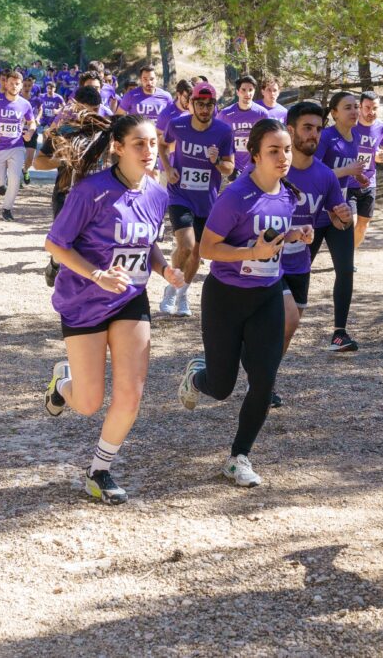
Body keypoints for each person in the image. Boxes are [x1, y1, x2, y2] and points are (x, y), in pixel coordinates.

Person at [43, 114, 186, 505]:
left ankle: (99, 470)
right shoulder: (91, 191)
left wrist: (163, 268)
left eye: (154, 143)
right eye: (139, 144)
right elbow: (55, 245)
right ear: (117, 148)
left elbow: (147, 243)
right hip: (83, 300)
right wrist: (97, 275)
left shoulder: (157, 193)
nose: (149, 151)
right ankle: (63, 382)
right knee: (88, 403)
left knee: (131, 394)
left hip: (129, 298)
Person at [178, 119, 312, 488]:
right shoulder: (236, 196)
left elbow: (270, 238)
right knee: (221, 387)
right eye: (274, 150)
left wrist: (294, 234)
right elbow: (208, 249)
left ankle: (239, 457)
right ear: (253, 155)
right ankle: (196, 375)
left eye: (287, 149)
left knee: (264, 381)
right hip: (226, 298)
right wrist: (250, 252)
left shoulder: (287, 194)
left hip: (267, 295)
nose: (283, 157)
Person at [274, 101, 352, 405]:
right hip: (267, 261)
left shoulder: (325, 176)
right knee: (288, 319)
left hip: (299, 262)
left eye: (318, 129)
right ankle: (260, 380)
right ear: (290, 130)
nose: (314, 135)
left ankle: (264, 378)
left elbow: (337, 219)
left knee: (287, 330)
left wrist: (342, 216)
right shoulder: (274, 167)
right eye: (307, 128)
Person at [158, 82, 235, 317]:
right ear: (191, 104)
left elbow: (229, 169)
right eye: (199, 104)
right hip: (180, 195)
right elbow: (162, 144)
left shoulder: (223, 131)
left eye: (209, 105)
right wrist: (168, 167)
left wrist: (216, 162)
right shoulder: (178, 124)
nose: (204, 109)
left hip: (207, 201)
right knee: (187, 245)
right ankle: (172, 289)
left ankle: (182, 295)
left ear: (214, 106)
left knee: (198, 253)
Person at [34, 86, 108, 286]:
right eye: (85, 111)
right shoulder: (63, 131)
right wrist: (65, 159)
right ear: (75, 108)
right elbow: (38, 163)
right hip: (66, 195)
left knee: (89, 246)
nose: (90, 117)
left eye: (95, 111)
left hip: (97, 199)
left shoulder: (106, 132)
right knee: (63, 244)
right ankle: (55, 263)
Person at [312, 91, 366, 352]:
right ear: (334, 112)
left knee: (345, 270)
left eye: (356, 107)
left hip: (340, 210)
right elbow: (314, 172)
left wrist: (358, 179)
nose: (355, 111)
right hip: (313, 211)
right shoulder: (326, 137)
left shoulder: (354, 137)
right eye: (348, 107)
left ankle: (339, 333)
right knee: (297, 270)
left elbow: (343, 178)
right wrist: (347, 170)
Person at [0, 70, 38, 221]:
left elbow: (32, 122)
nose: (14, 86)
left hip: (16, 146)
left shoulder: (25, 104)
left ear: (21, 86)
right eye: (11, 83)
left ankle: (7, 208)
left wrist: (30, 132)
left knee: (15, 178)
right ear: (6, 83)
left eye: (17, 84)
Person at [349, 91, 383, 248]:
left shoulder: (382, 128)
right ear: (360, 107)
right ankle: (343, 255)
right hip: (348, 182)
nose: (371, 112)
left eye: (375, 108)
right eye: (367, 108)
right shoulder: (350, 125)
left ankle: (349, 256)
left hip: (369, 183)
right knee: (351, 223)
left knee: (362, 225)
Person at [218, 75, 269, 177]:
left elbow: (267, 137)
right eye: (244, 90)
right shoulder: (225, 114)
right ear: (237, 92)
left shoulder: (262, 113)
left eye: (251, 90)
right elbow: (216, 132)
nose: (247, 93)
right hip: (234, 163)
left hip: (255, 162)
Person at [21, 76, 44, 185]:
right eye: (25, 85)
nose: (26, 88)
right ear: (21, 85)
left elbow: (40, 109)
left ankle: (25, 171)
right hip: (18, 133)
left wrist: (38, 118)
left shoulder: (36, 99)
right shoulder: (17, 99)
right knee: (16, 158)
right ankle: (15, 178)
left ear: (32, 86)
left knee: (30, 160)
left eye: (29, 86)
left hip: (31, 131)